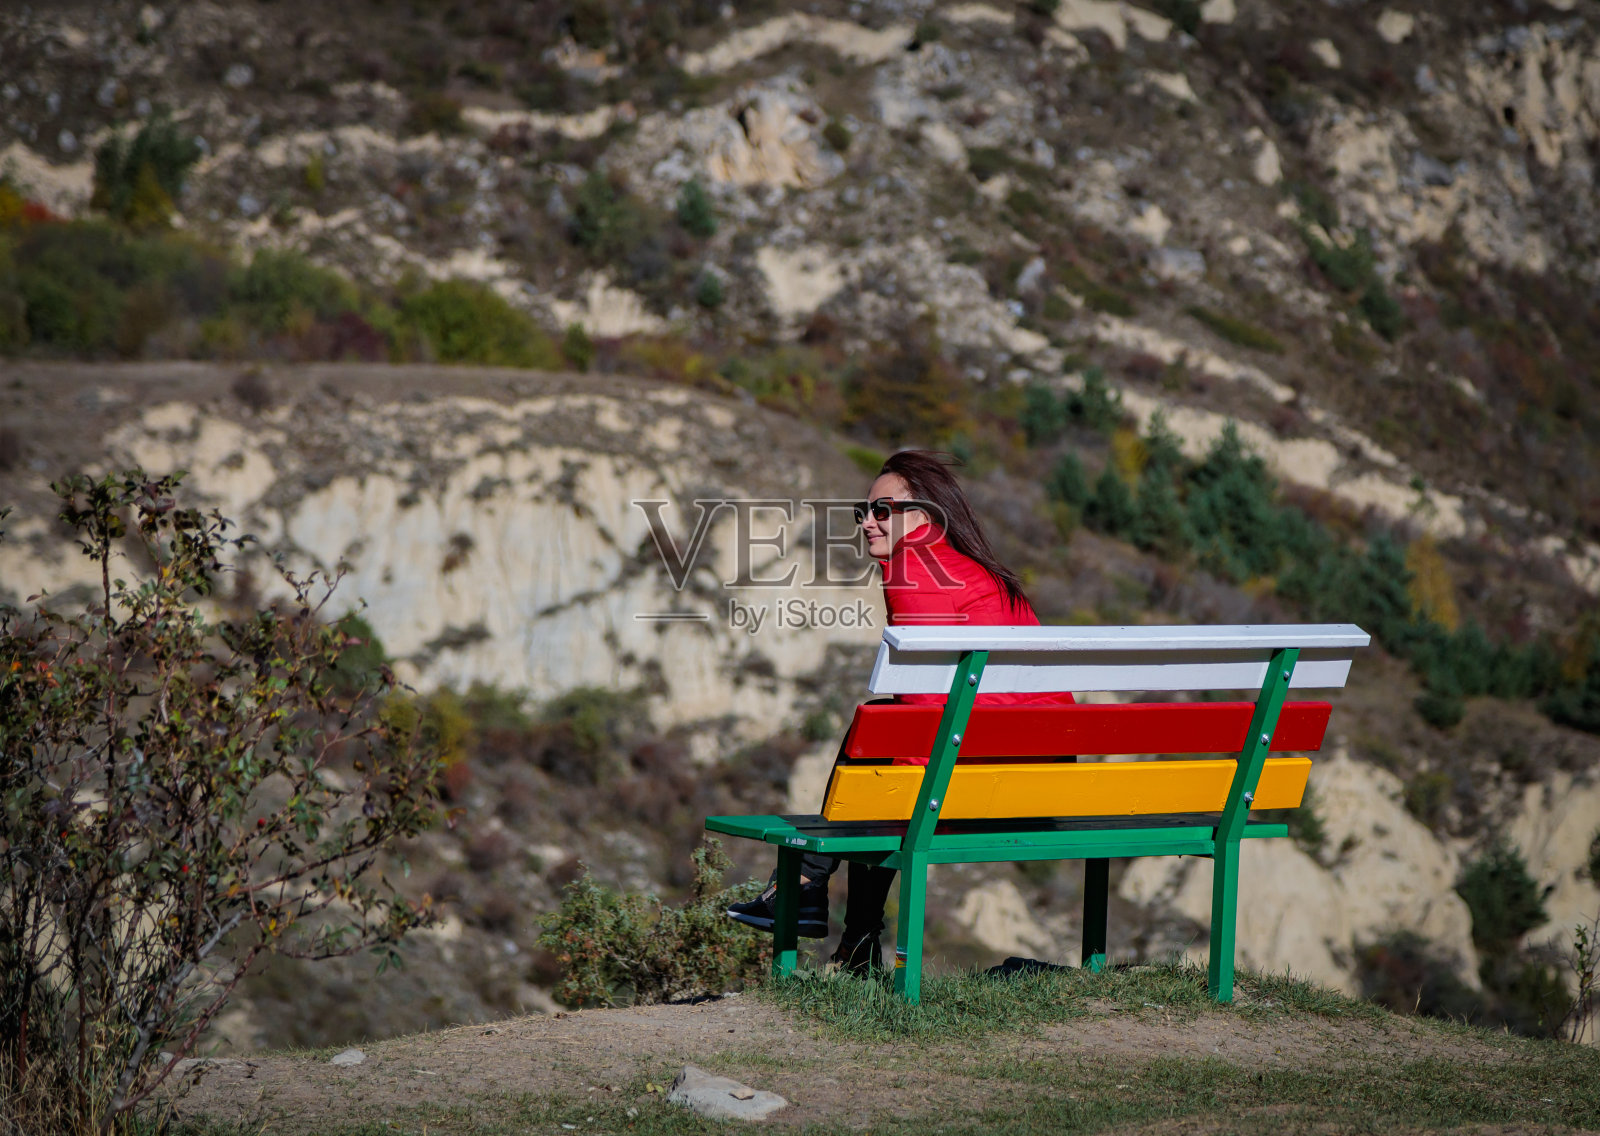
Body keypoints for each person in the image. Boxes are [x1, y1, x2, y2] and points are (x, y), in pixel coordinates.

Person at [726, 450, 1073, 973]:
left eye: (882, 510)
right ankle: (843, 932)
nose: (867, 522)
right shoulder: (976, 573)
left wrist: (896, 787)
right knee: (880, 734)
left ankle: (806, 890)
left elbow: (925, 712)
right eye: (862, 512)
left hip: (982, 779)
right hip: (1035, 779)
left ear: (925, 516)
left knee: (880, 735)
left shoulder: (914, 564)